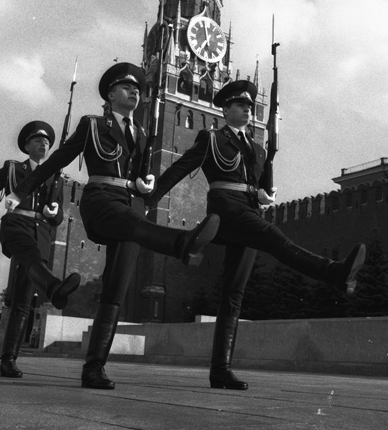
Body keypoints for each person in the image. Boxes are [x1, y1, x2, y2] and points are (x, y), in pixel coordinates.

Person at [4, 62, 220, 389]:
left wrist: (146, 184)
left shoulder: (142, 134)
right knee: (131, 223)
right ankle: (181, 243)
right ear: (110, 95)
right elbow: (57, 161)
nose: (134, 92)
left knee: (116, 288)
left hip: (131, 206)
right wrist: (20, 191)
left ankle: (94, 368)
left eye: (137, 90)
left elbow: (140, 175)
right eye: (126, 87)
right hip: (101, 200)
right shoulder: (92, 125)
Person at [145, 80, 367, 391]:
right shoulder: (211, 138)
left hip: (249, 210)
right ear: (226, 110)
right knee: (276, 239)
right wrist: (150, 199)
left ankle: (220, 371)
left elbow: (261, 187)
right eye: (240, 105)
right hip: (227, 209)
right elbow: (179, 169)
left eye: (250, 106)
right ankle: (333, 273)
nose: (247, 110)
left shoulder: (258, 149)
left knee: (233, 294)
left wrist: (266, 192)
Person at [0, 121, 81, 378]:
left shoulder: (56, 176)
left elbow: (58, 217)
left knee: (24, 299)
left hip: (41, 233)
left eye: (46, 142)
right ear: (27, 146)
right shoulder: (13, 169)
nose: (43, 144)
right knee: (31, 259)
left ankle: (9, 360)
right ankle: (53, 287)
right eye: (37, 140)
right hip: (16, 225)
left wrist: (55, 212)